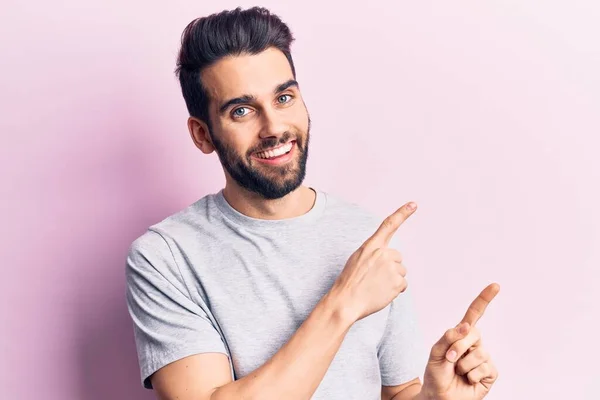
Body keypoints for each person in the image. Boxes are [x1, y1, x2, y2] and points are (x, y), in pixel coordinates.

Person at [125, 6, 500, 400]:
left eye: (284, 97)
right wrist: (344, 302)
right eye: (241, 110)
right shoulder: (164, 258)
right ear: (203, 135)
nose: (274, 128)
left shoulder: (366, 238)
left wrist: (435, 398)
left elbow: (395, 391)